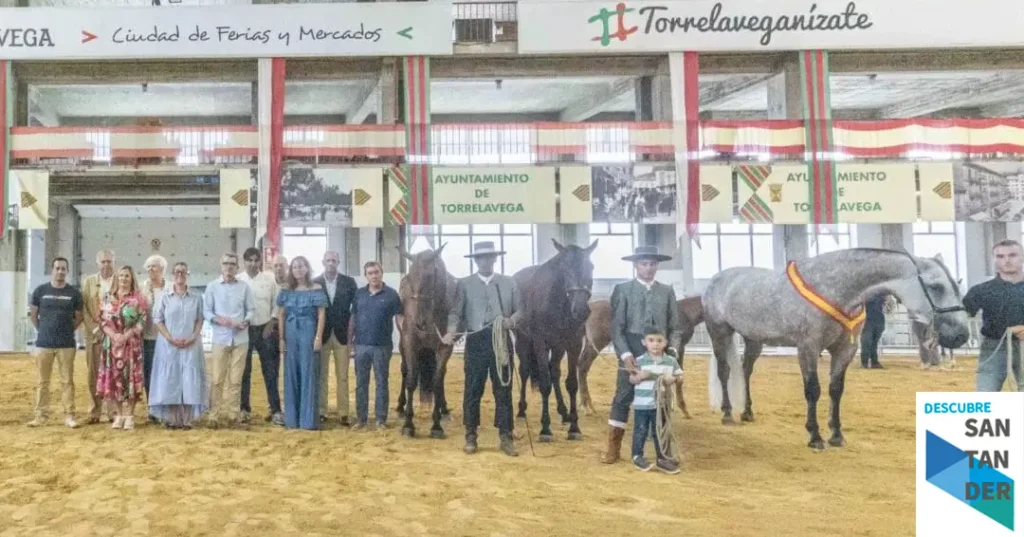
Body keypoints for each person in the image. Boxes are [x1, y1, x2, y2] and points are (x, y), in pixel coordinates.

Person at [600, 245, 682, 465]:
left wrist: (671, 352)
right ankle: (613, 447)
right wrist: (625, 354)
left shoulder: (667, 291)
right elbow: (617, 328)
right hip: (632, 346)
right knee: (623, 396)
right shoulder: (623, 289)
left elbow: (675, 327)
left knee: (660, 398)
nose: (649, 268)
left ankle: (663, 450)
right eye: (644, 264)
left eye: (653, 264)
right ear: (636, 265)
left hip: (659, 350)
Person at [442, 241, 522, 457]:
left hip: (501, 341)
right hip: (476, 340)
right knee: (472, 389)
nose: (485, 261)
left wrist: (511, 322)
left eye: (489, 257)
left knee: (503, 389)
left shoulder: (508, 283)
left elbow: (520, 311)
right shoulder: (465, 284)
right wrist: (451, 331)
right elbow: (456, 313)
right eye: (481, 258)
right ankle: (470, 435)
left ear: (495, 259)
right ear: (476, 261)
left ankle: (506, 435)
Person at [27, 257, 84, 428]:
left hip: (66, 344)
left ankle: (69, 416)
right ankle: (41, 416)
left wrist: (66, 330)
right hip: (44, 343)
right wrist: (44, 330)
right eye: (57, 268)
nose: (60, 271)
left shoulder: (74, 293)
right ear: (52, 270)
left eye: (63, 268)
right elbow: (33, 316)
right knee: (42, 382)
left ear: (67, 271)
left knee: (67, 381)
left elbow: (79, 318)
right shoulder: (40, 291)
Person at [149, 262, 207, 429]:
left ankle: (187, 419)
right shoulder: (164, 297)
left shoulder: (196, 297)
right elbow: (158, 319)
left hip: (191, 345)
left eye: (183, 271)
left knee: (189, 381)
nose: (180, 274)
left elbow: (199, 319)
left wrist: (193, 337)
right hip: (168, 346)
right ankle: (173, 419)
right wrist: (169, 338)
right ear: (172, 275)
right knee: (171, 380)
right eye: (177, 272)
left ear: (187, 274)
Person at [203, 252, 256, 429]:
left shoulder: (245, 287)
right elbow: (207, 311)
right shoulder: (212, 287)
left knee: (236, 380)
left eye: (232, 264)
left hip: (241, 339)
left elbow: (250, 309)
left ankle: (233, 416)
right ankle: (214, 415)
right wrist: (219, 320)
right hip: (220, 338)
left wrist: (246, 321)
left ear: (237, 267)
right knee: (217, 379)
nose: (229, 267)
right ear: (221, 265)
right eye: (226, 263)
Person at [963, 239, 1024, 392]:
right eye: (1000, 256)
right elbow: (960, 316)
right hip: (994, 348)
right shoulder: (981, 290)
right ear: (994, 259)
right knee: (986, 396)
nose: (1007, 260)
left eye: (1012, 255)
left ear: (1022, 257)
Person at [348, 260, 402, 429]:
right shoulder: (359, 294)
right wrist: (350, 343)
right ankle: (361, 419)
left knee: (381, 382)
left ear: (381, 273)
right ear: (366, 276)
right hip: (361, 345)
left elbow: (400, 318)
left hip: (382, 346)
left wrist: (404, 340)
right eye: (370, 273)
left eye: (376, 272)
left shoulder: (392, 294)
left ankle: (380, 419)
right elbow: (353, 319)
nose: (374, 276)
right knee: (361, 384)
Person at [277, 256, 327, 430]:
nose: (298, 269)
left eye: (301, 266)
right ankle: (292, 419)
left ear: (307, 268)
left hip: (309, 332)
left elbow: (321, 314)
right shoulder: (285, 290)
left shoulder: (316, 288)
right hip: (291, 333)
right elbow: (281, 315)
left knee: (309, 373)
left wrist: (318, 337)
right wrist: (281, 339)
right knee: (291, 374)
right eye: (295, 267)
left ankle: (307, 420)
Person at [97, 265, 148, 430]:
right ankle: (118, 415)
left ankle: (130, 415)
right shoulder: (107, 298)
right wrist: (113, 335)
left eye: (127, 276)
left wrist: (126, 335)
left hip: (131, 347)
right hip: (111, 346)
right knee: (114, 379)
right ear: (116, 278)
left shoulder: (138, 299)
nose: (123, 279)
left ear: (131, 278)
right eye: (121, 276)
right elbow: (102, 321)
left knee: (131, 379)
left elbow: (142, 321)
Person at [238, 247, 283, 426]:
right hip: (244, 330)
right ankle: (244, 409)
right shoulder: (238, 280)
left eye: (257, 260)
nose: (253, 263)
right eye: (250, 260)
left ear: (261, 262)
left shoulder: (270, 279)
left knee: (271, 371)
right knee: (244, 371)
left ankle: (275, 409)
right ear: (244, 262)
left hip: (266, 329)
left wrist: (272, 323)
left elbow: (277, 303)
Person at [628, 328, 682, 474]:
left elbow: (679, 376)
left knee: (661, 432)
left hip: (661, 404)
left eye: (659, 341)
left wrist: (673, 379)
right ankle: (637, 455)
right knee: (640, 430)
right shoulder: (639, 361)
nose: (655, 344)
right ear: (644, 343)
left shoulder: (670, 361)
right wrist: (639, 377)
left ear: (665, 343)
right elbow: (632, 379)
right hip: (642, 404)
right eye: (651, 340)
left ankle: (662, 458)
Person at [313, 250, 358, 425]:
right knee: (321, 375)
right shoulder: (314, 282)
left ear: (338, 262)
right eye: (328, 260)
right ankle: (321, 410)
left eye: (334, 260)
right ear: (323, 262)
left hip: (342, 335)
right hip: (322, 335)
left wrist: (352, 336)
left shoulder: (349, 282)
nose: (331, 263)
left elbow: (355, 310)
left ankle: (343, 412)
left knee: (343, 376)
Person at [81, 249, 116, 423]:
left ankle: (113, 412)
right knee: (93, 374)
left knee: (114, 373)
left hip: (115, 337)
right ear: (97, 263)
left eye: (109, 261)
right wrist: (96, 330)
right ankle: (94, 411)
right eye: (103, 262)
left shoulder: (120, 281)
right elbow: (84, 310)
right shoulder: (88, 282)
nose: (106, 265)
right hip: (94, 337)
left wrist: (114, 332)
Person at [139, 254, 168, 423]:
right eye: (148, 267)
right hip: (147, 338)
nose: (150, 270)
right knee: (149, 374)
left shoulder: (170, 288)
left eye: (154, 267)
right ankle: (152, 409)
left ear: (162, 269)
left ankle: (165, 407)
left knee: (166, 374)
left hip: (166, 339)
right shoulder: (141, 289)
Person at [860, 293, 888, 369]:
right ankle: (864, 362)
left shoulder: (881, 295)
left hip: (879, 320)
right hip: (868, 320)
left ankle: (874, 362)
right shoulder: (867, 294)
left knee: (874, 343)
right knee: (866, 342)